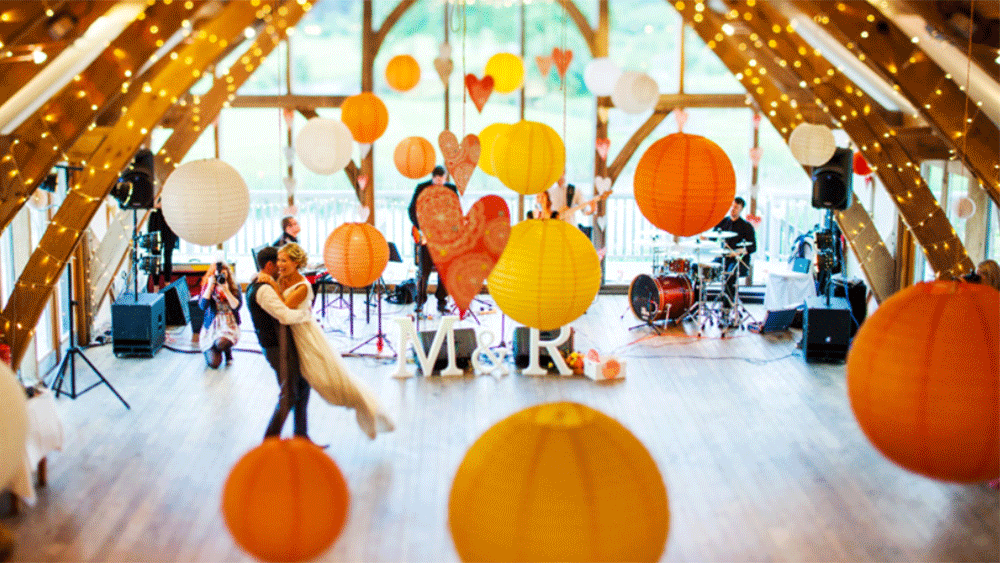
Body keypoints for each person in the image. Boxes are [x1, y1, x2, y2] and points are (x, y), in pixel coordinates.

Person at [259, 243, 394, 440]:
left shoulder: (302, 287)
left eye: (284, 260)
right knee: (302, 384)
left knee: (327, 379)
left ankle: (364, 404)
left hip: (306, 335)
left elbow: (284, 308)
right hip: (292, 337)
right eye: (278, 260)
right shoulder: (282, 279)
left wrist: (271, 285)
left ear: (296, 263)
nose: (279, 264)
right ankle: (300, 435)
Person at [247, 246, 314, 440]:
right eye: (278, 261)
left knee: (303, 384)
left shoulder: (263, 283)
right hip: (277, 347)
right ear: (269, 265)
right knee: (289, 394)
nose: (280, 265)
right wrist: (307, 315)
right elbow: (284, 316)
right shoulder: (263, 290)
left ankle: (301, 437)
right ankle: (269, 442)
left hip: (282, 344)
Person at [408, 165, 456, 315]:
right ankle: (420, 301)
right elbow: (412, 210)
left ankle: (442, 301)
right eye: (436, 179)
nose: (439, 181)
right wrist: (421, 228)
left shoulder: (451, 189)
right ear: (432, 177)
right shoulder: (422, 188)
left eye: (442, 179)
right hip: (427, 236)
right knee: (424, 270)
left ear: (445, 178)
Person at [710, 197, 756, 311]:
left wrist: (739, 251)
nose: (733, 209)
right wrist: (703, 235)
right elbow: (712, 237)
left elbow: (753, 247)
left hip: (738, 260)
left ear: (741, 209)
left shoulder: (746, 226)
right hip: (723, 258)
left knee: (729, 274)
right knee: (703, 270)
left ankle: (727, 308)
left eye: (736, 207)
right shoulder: (724, 222)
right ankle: (696, 306)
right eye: (731, 206)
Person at [198, 261, 242, 368]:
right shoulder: (207, 286)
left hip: (228, 323)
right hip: (212, 325)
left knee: (221, 343)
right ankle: (211, 349)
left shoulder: (234, 286)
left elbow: (237, 307)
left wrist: (226, 290)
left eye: (223, 273)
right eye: (218, 274)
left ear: (228, 273)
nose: (220, 277)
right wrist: (209, 287)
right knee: (214, 364)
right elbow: (202, 306)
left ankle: (226, 350)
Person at [547, 173, 593, 238]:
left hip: (570, 230)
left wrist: (591, 210)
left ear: (563, 172)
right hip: (553, 230)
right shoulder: (548, 191)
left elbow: (585, 209)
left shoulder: (574, 189)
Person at [147, 198, 177, 290]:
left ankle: (167, 283)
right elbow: (151, 205)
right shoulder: (156, 189)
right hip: (156, 219)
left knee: (168, 255)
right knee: (155, 257)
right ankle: (156, 285)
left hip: (169, 219)